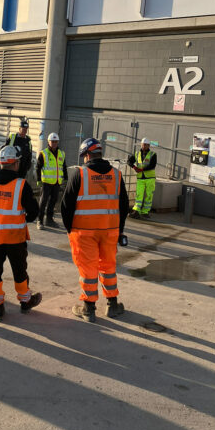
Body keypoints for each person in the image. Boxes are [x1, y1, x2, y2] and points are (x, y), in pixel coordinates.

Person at [62, 138, 131, 322]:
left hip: (84, 231)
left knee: (88, 268)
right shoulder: (116, 175)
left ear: (86, 155)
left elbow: (66, 205)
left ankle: (88, 308)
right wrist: (120, 230)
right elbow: (124, 205)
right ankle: (112, 304)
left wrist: (70, 229)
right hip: (110, 230)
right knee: (108, 267)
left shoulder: (80, 174)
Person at [0, 146, 42, 321]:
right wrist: (19, 218)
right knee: (19, 271)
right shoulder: (21, 185)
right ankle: (25, 302)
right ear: (16, 163)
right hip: (15, 239)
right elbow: (34, 212)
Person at [36, 132, 66, 228]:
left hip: (57, 182)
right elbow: (38, 167)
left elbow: (64, 167)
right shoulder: (43, 153)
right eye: (52, 141)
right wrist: (38, 180)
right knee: (43, 201)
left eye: (56, 142)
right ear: (48, 142)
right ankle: (40, 220)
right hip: (46, 182)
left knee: (53, 201)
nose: (54, 143)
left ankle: (49, 220)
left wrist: (65, 178)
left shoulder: (61, 153)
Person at [128, 139, 157, 219]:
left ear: (149, 146)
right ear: (141, 144)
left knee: (149, 195)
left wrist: (142, 170)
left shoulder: (153, 154)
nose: (144, 146)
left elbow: (152, 165)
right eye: (143, 144)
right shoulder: (137, 154)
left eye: (146, 145)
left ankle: (145, 212)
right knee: (139, 195)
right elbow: (129, 161)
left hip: (150, 178)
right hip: (140, 178)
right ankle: (136, 211)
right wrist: (134, 167)